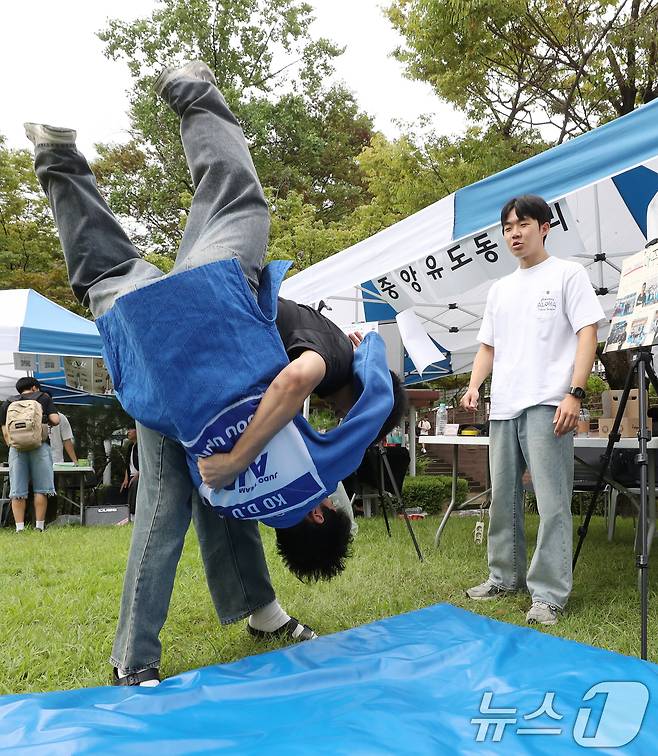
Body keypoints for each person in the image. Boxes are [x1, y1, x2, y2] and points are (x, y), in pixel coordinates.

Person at [26, 60, 406, 685]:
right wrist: (232, 464)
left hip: (211, 310)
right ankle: (57, 161)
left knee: (233, 192)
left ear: (320, 514)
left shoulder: (332, 394)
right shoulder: (258, 494)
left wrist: (366, 354)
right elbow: (226, 488)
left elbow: (300, 380)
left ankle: (190, 87)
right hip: (153, 376)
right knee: (104, 270)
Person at [461, 195, 605, 626]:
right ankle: (503, 577)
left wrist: (574, 393)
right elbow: (488, 346)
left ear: (545, 226)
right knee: (503, 499)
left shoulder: (568, 275)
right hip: (504, 406)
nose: (514, 233)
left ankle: (549, 595)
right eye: (507, 228)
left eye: (522, 224)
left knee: (552, 501)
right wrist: (473, 386)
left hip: (549, 404)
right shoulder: (500, 289)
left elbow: (587, 333)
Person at [1, 377, 60, 532]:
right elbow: (56, 419)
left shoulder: (8, 402)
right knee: (41, 489)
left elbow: (5, 431)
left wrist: (13, 444)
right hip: (39, 446)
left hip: (17, 449)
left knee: (17, 490)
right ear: (34, 387)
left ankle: (19, 528)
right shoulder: (43, 398)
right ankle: (39, 526)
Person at [120, 428, 139, 517]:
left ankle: (134, 514)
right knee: (123, 488)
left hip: (139, 475)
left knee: (135, 484)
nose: (128, 432)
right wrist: (126, 479)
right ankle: (124, 514)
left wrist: (137, 475)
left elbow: (145, 463)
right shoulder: (130, 446)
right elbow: (127, 464)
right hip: (131, 475)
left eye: (131, 430)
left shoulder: (141, 446)